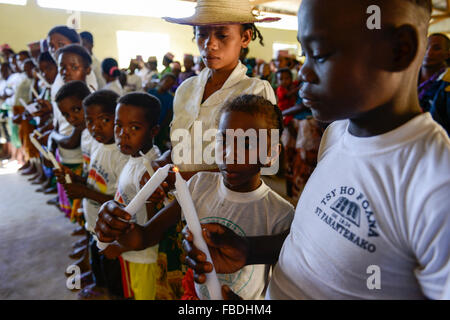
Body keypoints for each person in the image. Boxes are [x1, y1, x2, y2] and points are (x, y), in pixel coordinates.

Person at [182, 0, 450, 300]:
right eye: (304, 53)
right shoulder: (337, 134)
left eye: (320, 54)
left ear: (398, 50)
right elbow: (315, 238)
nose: (304, 73)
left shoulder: (436, 183)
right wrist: (250, 249)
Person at [95, 94, 294, 300]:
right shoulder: (199, 185)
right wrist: (117, 225)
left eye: (246, 144)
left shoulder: (280, 214)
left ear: (270, 154)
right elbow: (145, 236)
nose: (229, 153)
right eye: (223, 140)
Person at [152, 0, 280, 182]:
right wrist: (165, 161)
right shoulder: (186, 89)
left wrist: (185, 178)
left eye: (222, 35)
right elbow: (183, 146)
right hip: (178, 199)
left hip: (224, 205)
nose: (210, 44)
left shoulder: (256, 91)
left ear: (245, 37)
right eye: (202, 34)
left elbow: (259, 164)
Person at [56, 89, 128, 300]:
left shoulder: (121, 154)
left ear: (117, 119)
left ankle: (109, 293)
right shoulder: (98, 145)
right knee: (97, 257)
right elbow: (94, 181)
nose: (95, 127)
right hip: (94, 222)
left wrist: (84, 192)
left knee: (112, 269)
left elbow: (122, 204)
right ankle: (99, 286)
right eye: (89, 121)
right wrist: (76, 180)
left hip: (110, 230)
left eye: (104, 120)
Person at [418, 33, 450, 135]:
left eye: (436, 48)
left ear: (447, 54)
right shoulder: (406, 77)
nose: (429, 52)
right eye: (426, 47)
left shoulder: (447, 85)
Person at [148, 73, 176, 153]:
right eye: (166, 81)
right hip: (148, 122)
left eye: (171, 84)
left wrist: (163, 127)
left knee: (157, 145)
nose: (167, 85)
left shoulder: (170, 98)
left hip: (160, 125)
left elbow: (169, 114)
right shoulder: (151, 92)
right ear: (161, 80)